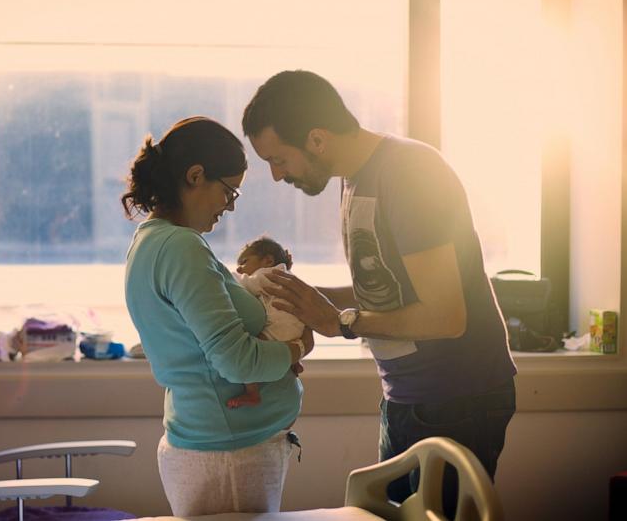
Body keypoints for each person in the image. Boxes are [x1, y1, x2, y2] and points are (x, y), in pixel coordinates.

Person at [241, 70, 517, 513]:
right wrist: (304, 298)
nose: (276, 176)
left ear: (316, 139)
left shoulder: (409, 173)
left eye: (278, 159)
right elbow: (390, 285)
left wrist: (339, 322)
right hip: (407, 397)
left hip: (457, 398)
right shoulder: (356, 179)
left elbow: (446, 316)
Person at [122, 116, 315, 516]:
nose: (229, 207)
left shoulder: (153, 240)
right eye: (229, 192)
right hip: (229, 453)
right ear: (195, 175)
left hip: (223, 445)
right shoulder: (180, 248)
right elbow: (234, 360)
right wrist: (296, 348)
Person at [227, 236, 306, 409]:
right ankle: (293, 363)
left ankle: (252, 392)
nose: (239, 268)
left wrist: (225, 275)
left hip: (279, 328)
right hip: (295, 329)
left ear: (268, 260)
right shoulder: (286, 275)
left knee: (249, 354)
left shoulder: (267, 274)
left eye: (244, 262)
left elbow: (243, 285)